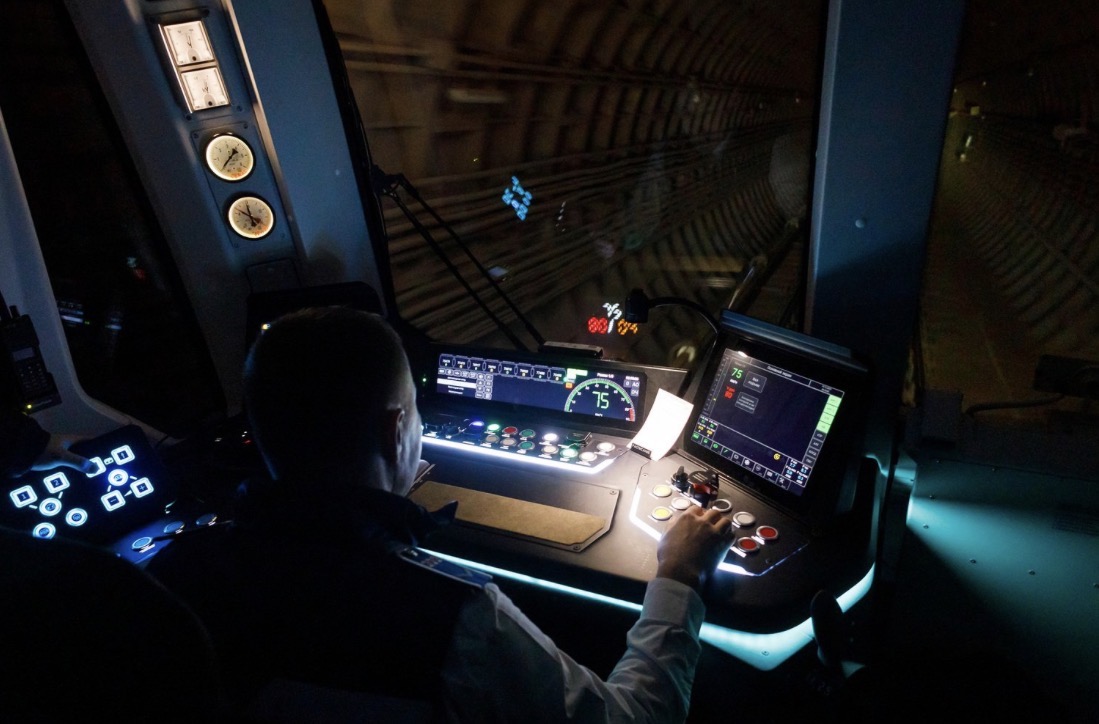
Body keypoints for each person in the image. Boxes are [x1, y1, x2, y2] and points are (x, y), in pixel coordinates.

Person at [147, 307, 734, 722]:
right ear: (396, 430)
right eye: (415, 411)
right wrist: (677, 577)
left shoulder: (174, 574)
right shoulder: (459, 614)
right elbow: (636, 718)